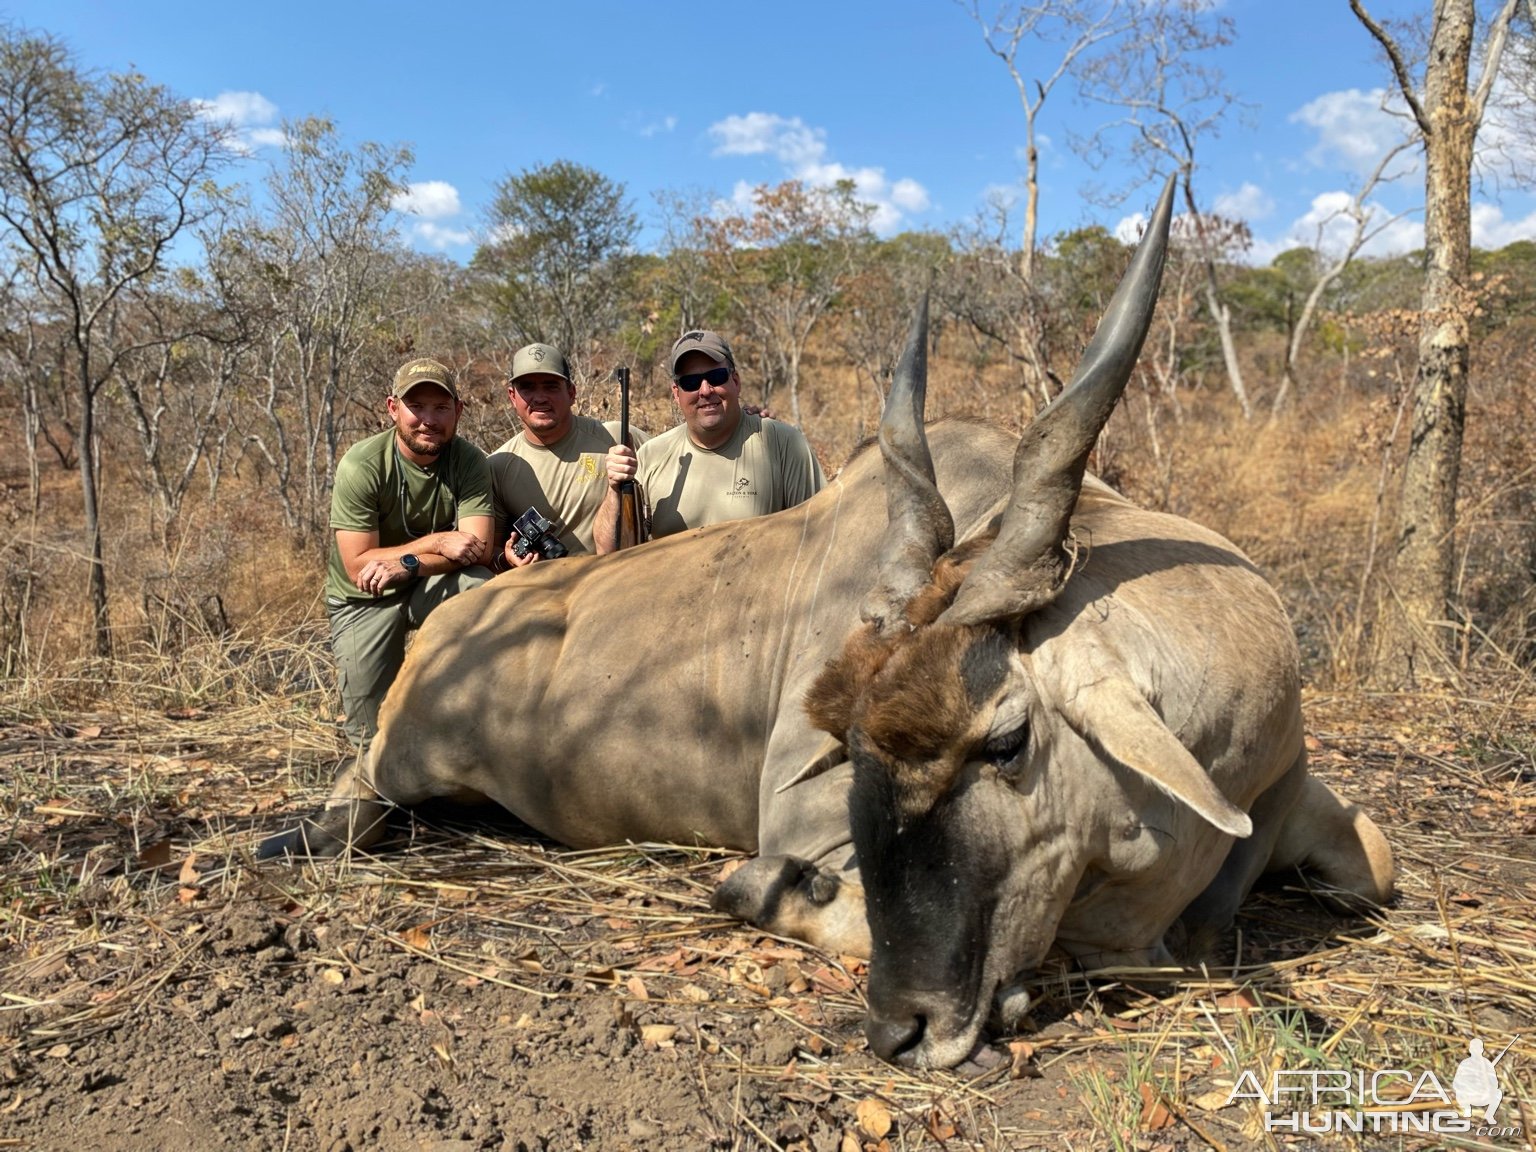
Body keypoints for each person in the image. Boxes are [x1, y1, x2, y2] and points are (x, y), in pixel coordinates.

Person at [326, 356, 494, 753]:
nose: (428, 420)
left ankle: (476, 716)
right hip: (364, 599)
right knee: (372, 737)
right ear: (392, 408)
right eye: (416, 406)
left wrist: (408, 563)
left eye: (440, 407)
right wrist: (435, 543)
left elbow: (478, 547)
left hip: (423, 580)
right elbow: (358, 565)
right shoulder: (362, 464)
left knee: (480, 586)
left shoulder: (469, 461)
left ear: (458, 411)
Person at [595, 330, 823, 551]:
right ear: (676, 393)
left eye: (716, 377)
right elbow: (607, 552)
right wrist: (614, 490)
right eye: (691, 382)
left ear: (736, 381)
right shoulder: (650, 455)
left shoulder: (782, 443)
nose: (705, 390)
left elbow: (820, 532)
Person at [487, 342, 646, 567]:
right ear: (512, 397)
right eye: (528, 387)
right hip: (546, 588)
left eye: (551, 386)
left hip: (617, 575)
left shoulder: (618, 437)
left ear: (571, 393)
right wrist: (507, 559)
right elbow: (489, 550)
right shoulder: (497, 465)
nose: (540, 398)